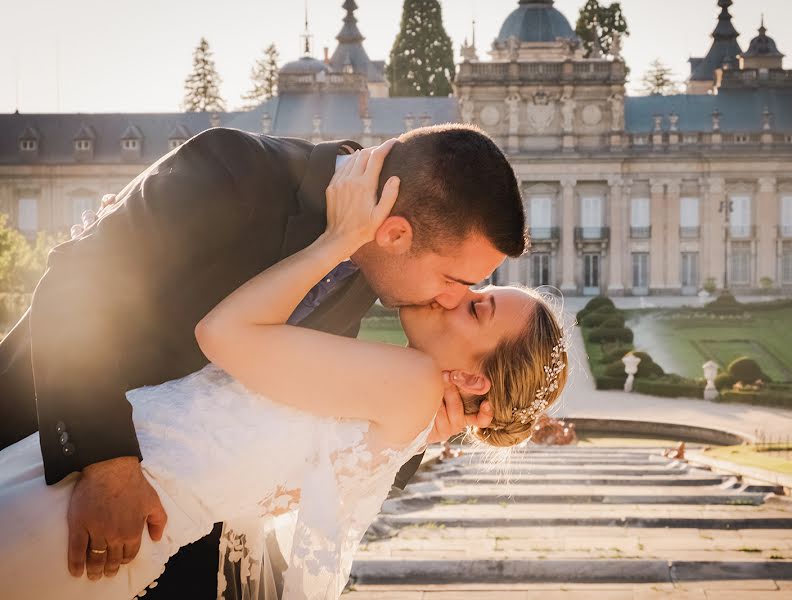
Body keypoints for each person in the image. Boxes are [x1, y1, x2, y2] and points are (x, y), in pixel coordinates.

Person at [0, 147, 569, 599]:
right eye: (457, 282)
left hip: (151, 540)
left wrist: (423, 434)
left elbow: (326, 450)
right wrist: (107, 464)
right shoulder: (234, 169)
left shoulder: (375, 278)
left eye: (471, 298)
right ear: (396, 234)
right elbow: (78, 284)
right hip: (56, 448)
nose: (451, 299)